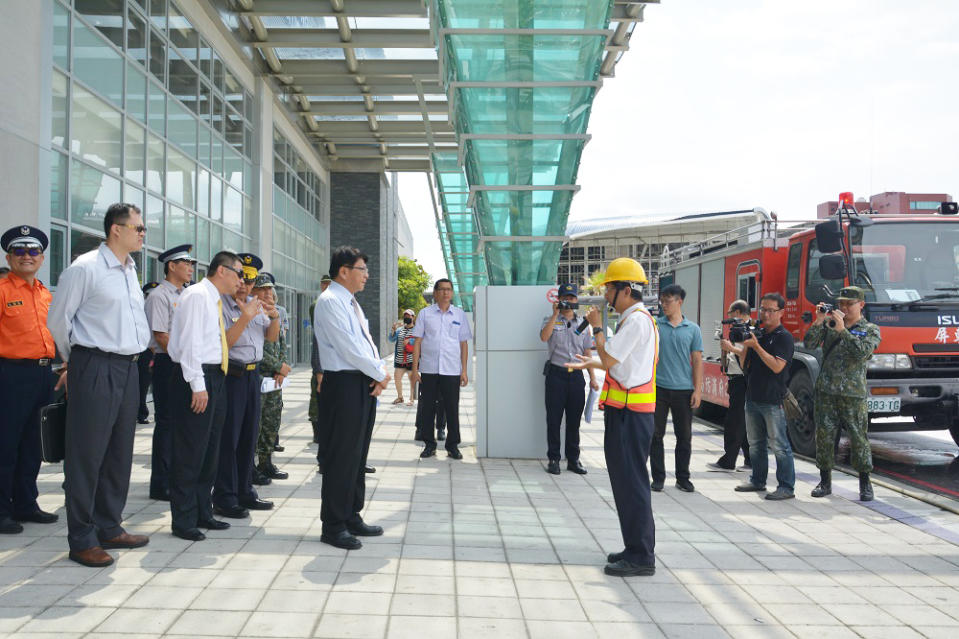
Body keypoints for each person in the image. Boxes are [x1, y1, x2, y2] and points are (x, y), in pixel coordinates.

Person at [48, 202, 152, 567]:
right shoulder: (86, 268)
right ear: (116, 230)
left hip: (129, 368)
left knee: (118, 453)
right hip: (94, 363)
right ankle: (81, 537)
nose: (142, 233)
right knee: (86, 455)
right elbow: (59, 321)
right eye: (138, 228)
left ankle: (109, 525)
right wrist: (73, 360)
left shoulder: (129, 270)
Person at [565, 258, 658, 577]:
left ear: (626, 290)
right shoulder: (634, 320)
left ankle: (642, 555)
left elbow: (608, 357)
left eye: (609, 289)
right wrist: (589, 363)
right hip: (625, 413)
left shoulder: (636, 321)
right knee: (626, 483)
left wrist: (597, 328)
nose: (605, 296)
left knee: (632, 483)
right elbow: (611, 363)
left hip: (632, 415)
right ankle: (634, 546)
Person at [313, 246, 390, 550]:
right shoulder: (330, 301)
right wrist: (380, 373)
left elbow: (367, 343)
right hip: (342, 384)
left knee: (357, 455)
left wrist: (377, 372)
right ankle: (333, 524)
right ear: (343, 271)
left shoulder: (351, 302)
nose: (367, 276)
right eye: (362, 270)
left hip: (360, 382)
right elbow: (348, 348)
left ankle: (351, 515)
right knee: (341, 455)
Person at [166, 250, 242, 541]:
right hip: (196, 376)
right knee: (190, 449)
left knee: (210, 449)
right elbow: (188, 344)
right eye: (238, 273)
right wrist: (198, 385)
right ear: (222, 271)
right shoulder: (197, 295)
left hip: (215, 375)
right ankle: (183, 519)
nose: (241, 280)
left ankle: (202, 511)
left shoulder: (213, 299)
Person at [0, 226, 60, 535]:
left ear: (42, 257)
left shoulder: (45, 293)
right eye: (20, 251)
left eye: (33, 251)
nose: (27, 256)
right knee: (6, 445)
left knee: (33, 445)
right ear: (9, 257)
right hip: (10, 375)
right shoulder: (2, 290)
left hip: (42, 374)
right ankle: (2, 511)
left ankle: (26, 503)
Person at [212, 253, 280, 518]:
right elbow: (224, 344)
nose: (245, 286)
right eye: (242, 279)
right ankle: (225, 496)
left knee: (248, 437)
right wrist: (245, 316)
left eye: (250, 282)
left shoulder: (254, 303)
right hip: (232, 376)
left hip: (253, 376)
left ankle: (244, 490)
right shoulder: (222, 305)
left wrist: (273, 316)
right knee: (229, 438)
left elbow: (270, 337)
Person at [803, 286, 881, 501]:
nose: (844, 307)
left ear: (861, 305)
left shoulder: (870, 329)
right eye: (841, 304)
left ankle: (865, 483)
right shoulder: (830, 324)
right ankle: (825, 481)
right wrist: (819, 320)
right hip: (826, 391)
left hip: (853, 395)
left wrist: (842, 331)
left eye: (849, 303)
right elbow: (809, 343)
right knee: (825, 437)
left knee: (858, 439)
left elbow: (862, 353)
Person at [144, 244, 196, 501]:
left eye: (191, 263)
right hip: (169, 363)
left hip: (185, 363)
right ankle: (160, 483)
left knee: (182, 424)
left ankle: (177, 477)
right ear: (171, 266)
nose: (190, 268)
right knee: (166, 423)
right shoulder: (159, 295)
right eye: (185, 263)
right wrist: (181, 359)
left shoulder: (187, 294)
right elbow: (160, 335)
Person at [734, 292, 796, 500]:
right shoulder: (757, 334)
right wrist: (745, 346)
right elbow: (744, 366)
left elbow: (777, 366)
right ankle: (757, 480)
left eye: (770, 310)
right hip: (752, 397)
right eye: (762, 309)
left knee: (779, 445)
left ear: (781, 313)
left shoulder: (784, 337)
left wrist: (757, 347)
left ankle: (786, 486)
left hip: (773, 400)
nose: (765, 314)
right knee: (755, 444)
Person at [539, 283, 598, 475]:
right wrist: (555, 314)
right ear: (559, 300)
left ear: (576, 301)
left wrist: (593, 377)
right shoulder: (550, 320)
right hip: (556, 375)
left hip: (576, 377)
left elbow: (587, 351)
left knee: (574, 421)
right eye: (565, 298)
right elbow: (543, 337)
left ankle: (573, 459)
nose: (569, 302)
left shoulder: (583, 323)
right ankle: (554, 459)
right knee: (553, 420)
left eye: (572, 298)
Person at [411, 279, 472, 460]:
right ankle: (429, 445)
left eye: (448, 289)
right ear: (435, 293)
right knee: (428, 408)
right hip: (429, 369)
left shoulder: (459, 315)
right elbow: (417, 342)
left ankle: (453, 446)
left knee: (452, 408)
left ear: (452, 293)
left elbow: (463, 344)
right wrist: (414, 370)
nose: (445, 293)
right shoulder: (425, 314)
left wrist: (464, 370)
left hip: (452, 370)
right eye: (442, 290)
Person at [650, 284, 703, 493]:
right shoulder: (655, 325)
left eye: (668, 301)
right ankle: (658, 477)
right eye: (662, 301)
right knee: (655, 435)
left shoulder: (693, 329)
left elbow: (697, 361)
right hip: (658, 388)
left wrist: (698, 390)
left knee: (684, 436)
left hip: (684, 390)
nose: (664, 305)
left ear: (679, 302)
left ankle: (683, 477)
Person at [252, 274, 291, 483]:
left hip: (273, 379)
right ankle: (251, 466)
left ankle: (266, 462)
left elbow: (281, 344)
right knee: (255, 424)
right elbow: (256, 348)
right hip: (258, 376)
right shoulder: (251, 313)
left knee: (272, 421)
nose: (269, 293)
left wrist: (280, 368)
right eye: (263, 289)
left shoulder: (275, 313)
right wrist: (279, 366)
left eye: (270, 289)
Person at [708, 299, 752, 472]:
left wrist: (730, 348)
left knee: (734, 422)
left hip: (743, 380)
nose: (728, 318)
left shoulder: (750, 331)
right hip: (735, 378)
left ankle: (728, 460)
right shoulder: (738, 330)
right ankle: (750, 460)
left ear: (739, 313)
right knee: (743, 423)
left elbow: (747, 354)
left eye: (730, 314)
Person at [309, 274, 332, 455]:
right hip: (323, 366)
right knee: (317, 401)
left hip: (332, 366)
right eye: (325, 284)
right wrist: (319, 371)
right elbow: (319, 339)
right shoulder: (319, 305)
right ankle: (319, 435)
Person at [137, 282, 158, 425]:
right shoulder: (142, 309)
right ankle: (141, 413)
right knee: (142, 384)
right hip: (145, 351)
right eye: (148, 295)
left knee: (154, 383)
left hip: (157, 351)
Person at [388, 309, 416, 405]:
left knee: (411, 379)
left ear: (413, 317)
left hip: (411, 360)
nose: (407, 318)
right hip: (399, 359)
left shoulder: (417, 330)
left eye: (409, 316)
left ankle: (411, 399)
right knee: (397, 378)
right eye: (405, 316)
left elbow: (420, 343)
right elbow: (391, 339)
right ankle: (400, 397)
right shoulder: (400, 330)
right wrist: (393, 330)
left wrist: (410, 342)